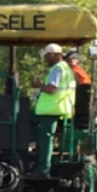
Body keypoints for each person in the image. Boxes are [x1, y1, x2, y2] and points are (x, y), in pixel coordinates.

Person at [29, 43, 76, 176]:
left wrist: (38, 85)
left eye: (46, 57)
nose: (45, 60)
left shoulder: (57, 69)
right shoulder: (66, 68)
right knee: (32, 122)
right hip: (60, 108)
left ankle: (43, 169)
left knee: (46, 138)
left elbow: (51, 89)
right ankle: (36, 146)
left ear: (53, 55)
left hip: (51, 109)